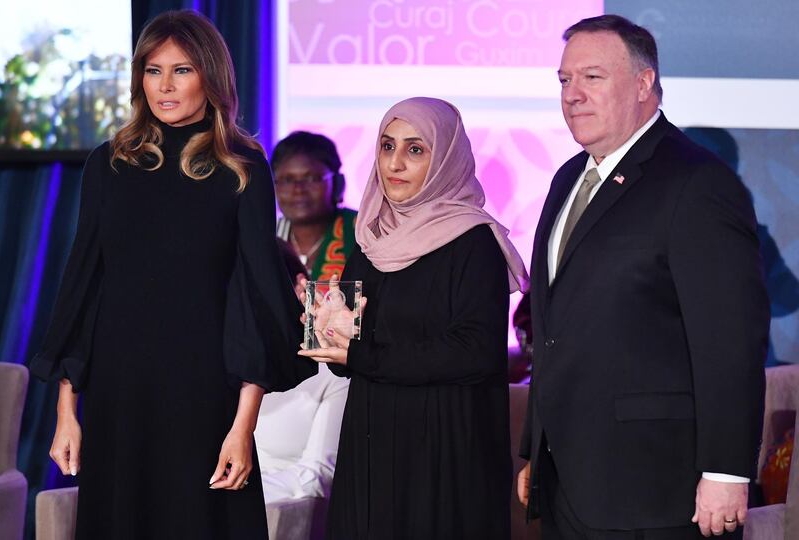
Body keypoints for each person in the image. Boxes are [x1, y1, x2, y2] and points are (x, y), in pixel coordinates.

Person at [30, 10, 315, 539]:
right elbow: (83, 290)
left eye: (181, 70)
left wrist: (242, 426)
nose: (164, 85)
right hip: (119, 394)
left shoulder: (242, 166)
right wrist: (66, 410)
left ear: (210, 76)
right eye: (152, 69)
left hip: (203, 394)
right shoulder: (108, 163)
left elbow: (255, 298)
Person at [516, 14, 769, 539]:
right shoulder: (568, 177)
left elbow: (729, 342)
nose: (572, 95)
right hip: (567, 481)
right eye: (564, 80)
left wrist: (726, 471)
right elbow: (554, 327)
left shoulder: (696, 182)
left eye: (592, 77)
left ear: (643, 83)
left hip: (655, 491)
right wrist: (533, 450)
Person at [298, 96, 529, 539]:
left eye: (415, 149)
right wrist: (329, 332)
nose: (395, 163)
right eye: (387, 147)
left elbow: (475, 354)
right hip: (373, 438)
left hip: (444, 448)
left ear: (445, 159)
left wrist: (363, 353)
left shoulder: (473, 241)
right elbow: (347, 358)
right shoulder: (371, 239)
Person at [253, 241, 350, 505]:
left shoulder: (330, 369)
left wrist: (241, 495)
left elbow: (318, 475)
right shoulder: (233, 363)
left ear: (300, 285)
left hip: (288, 514)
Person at [272, 131, 357, 281]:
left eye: (311, 178)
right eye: (286, 180)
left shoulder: (359, 232)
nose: (298, 189)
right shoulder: (266, 238)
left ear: (337, 183)